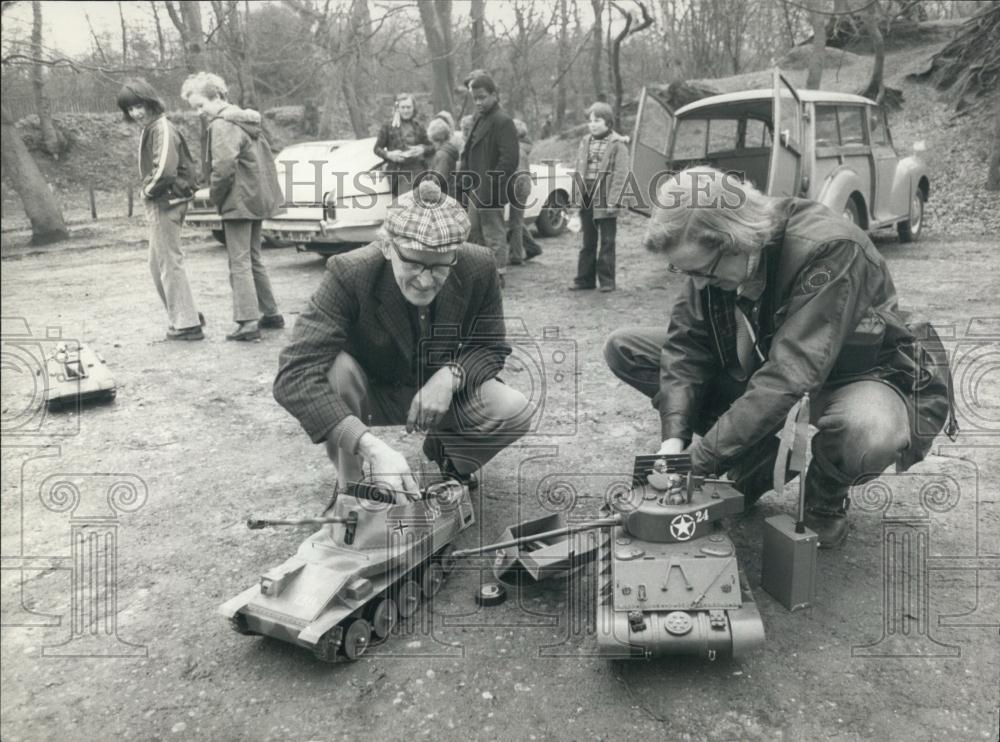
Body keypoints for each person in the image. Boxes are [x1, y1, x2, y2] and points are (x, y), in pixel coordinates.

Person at [603, 167, 956, 547]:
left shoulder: (829, 249)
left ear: (737, 240)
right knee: (627, 348)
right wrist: (674, 440)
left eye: (703, 271)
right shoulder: (713, 261)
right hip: (772, 363)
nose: (699, 283)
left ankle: (825, 499)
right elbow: (685, 347)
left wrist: (701, 460)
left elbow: (791, 373)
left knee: (868, 430)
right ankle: (756, 457)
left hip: (855, 375)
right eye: (684, 271)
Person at [273, 179, 534, 500]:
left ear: (456, 253)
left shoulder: (478, 264)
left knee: (514, 408)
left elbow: (491, 347)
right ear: (386, 246)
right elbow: (293, 375)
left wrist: (451, 376)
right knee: (335, 371)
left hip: (441, 398)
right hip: (372, 392)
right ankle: (354, 488)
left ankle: (451, 460)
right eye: (412, 263)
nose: (425, 280)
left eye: (440, 267)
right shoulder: (349, 272)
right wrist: (369, 445)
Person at [181, 71, 283, 342]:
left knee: (238, 261)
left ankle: (248, 322)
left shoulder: (222, 124)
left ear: (217, 98)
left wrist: (215, 195)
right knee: (253, 257)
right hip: (256, 197)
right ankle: (271, 313)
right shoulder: (246, 120)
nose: (200, 113)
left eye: (201, 106)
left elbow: (224, 166)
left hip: (238, 200)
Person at [118, 79, 204, 341]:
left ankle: (187, 324)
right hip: (161, 202)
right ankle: (185, 313)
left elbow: (165, 170)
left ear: (150, 102)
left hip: (166, 202)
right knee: (157, 265)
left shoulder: (161, 128)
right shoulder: (152, 128)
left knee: (168, 263)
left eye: (139, 106)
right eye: (130, 110)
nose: (135, 113)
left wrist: (146, 191)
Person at [460, 73, 520, 284]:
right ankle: (482, 274)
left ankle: (498, 275)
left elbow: (510, 159)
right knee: (474, 231)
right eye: (475, 98)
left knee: (493, 233)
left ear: (494, 95)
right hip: (476, 187)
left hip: (491, 188)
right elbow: (469, 151)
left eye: (482, 97)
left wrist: (493, 184)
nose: (478, 102)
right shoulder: (480, 118)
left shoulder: (502, 121)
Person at [570, 102, 630, 292]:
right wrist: (576, 197)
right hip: (587, 196)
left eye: (598, 120)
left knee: (607, 241)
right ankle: (584, 279)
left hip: (605, 198)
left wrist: (614, 200)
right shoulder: (585, 141)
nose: (593, 124)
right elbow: (579, 169)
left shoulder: (618, 145)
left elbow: (621, 174)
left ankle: (607, 281)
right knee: (588, 240)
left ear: (609, 122)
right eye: (590, 121)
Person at [373, 93, 434, 197]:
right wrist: (389, 155)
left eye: (409, 107)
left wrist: (422, 149)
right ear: (397, 108)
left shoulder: (418, 126)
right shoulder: (388, 126)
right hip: (399, 173)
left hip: (419, 171)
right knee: (404, 206)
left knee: (421, 207)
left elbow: (432, 147)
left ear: (413, 108)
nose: (406, 110)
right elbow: (377, 149)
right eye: (403, 107)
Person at [507, 119, 542, 265]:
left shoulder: (518, 151)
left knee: (515, 222)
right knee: (517, 221)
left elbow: (519, 174)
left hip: (518, 188)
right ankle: (533, 248)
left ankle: (516, 256)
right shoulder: (522, 147)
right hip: (521, 187)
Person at [426, 117, 459, 197]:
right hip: (451, 192)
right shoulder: (450, 149)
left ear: (436, 139)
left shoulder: (442, 154)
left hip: (443, 195)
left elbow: (439, 179)